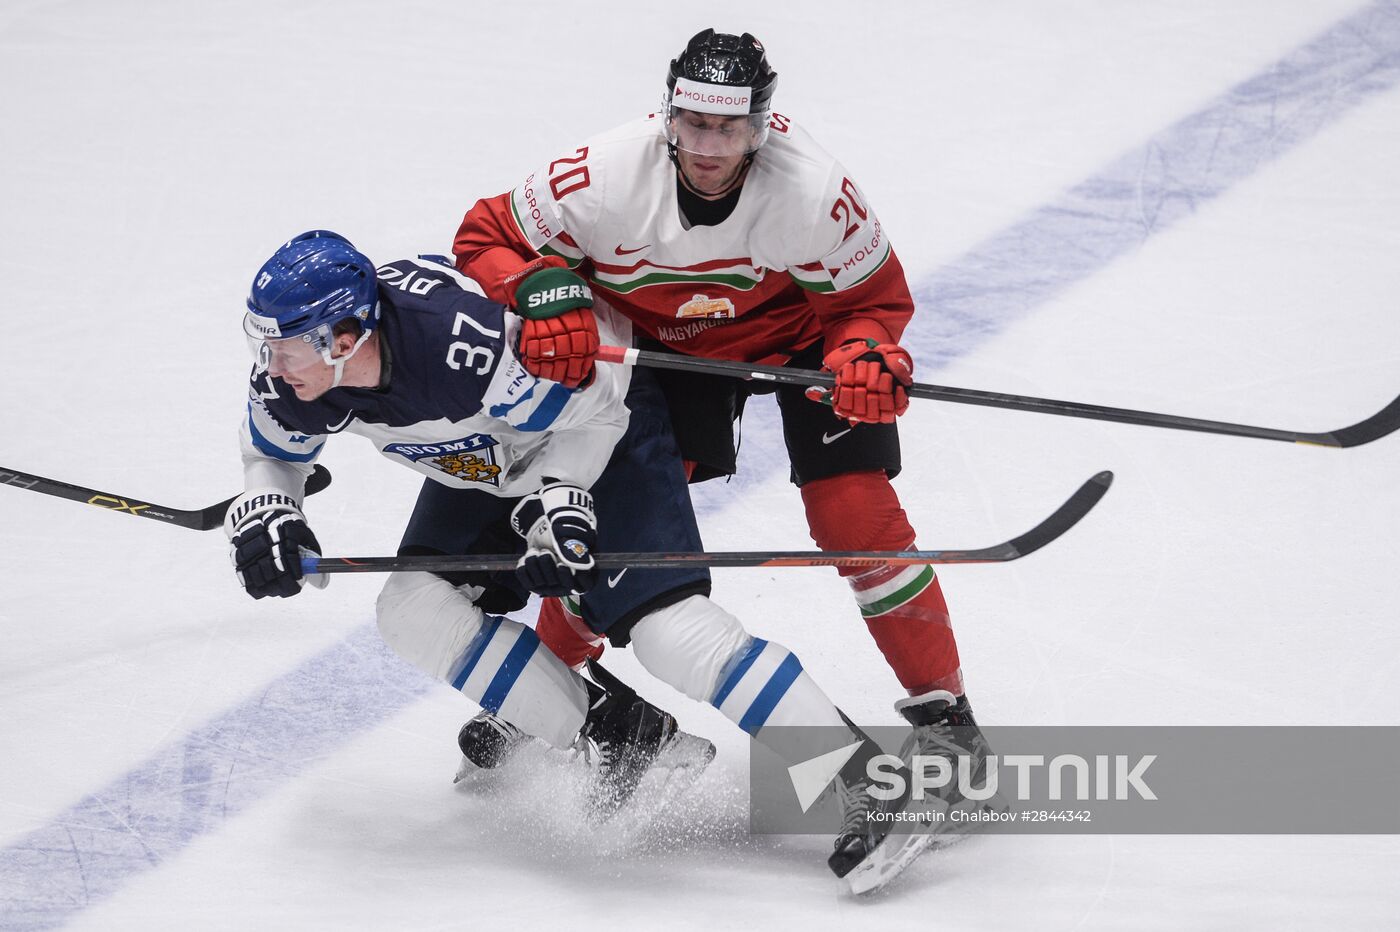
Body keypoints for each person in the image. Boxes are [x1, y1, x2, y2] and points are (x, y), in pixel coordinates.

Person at [225, 229, 938, 884]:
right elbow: (271, 451)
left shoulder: (463, 346)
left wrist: (557, 508)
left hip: (603, 424)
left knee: (670, 633)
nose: (271, 366)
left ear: (345, 336)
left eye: (284, 347)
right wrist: (271, 506)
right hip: (492, 456)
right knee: (412, 607)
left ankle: (868, 782)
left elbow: (591, 407)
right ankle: (623, 737)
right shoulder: (301, 382)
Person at [451, 29, 995, 815]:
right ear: (669, 115)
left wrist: (866, 353)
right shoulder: (599, 176)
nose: (707, 147)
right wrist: (536, 287)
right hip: (660, 357)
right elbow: (484, 238)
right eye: (693, 125)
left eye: (728, 129)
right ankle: (543, 688)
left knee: (857, 517)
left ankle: (948, 719)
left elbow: (870, 305)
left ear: (762, 125)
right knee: (619, 532)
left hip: (796, 337)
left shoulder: (814, 191)